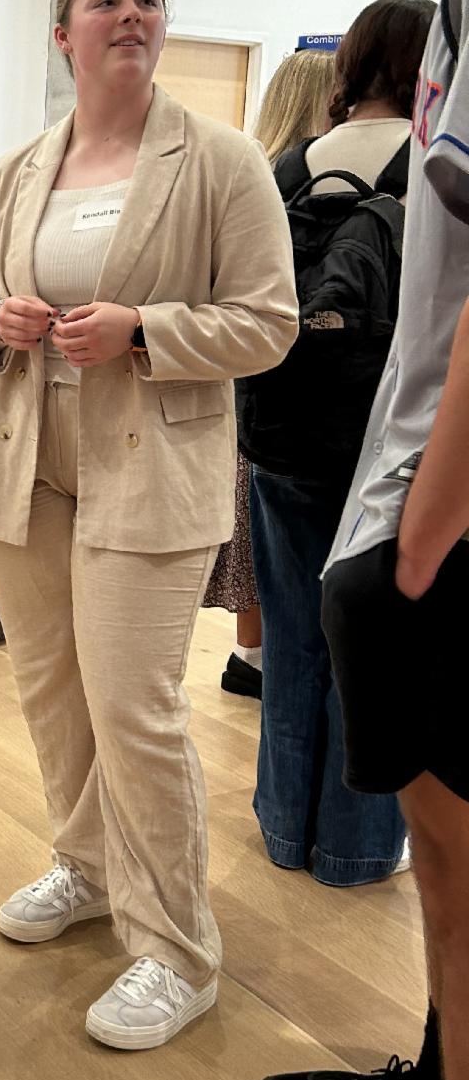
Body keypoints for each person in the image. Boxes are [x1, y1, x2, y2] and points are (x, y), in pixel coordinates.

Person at [0, 0, 297, 1051]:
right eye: (108, 0)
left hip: (152, 470)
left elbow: (269, 322)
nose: (132, 13)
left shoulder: (224, 162)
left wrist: (145, 329)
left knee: (137, 711)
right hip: (26, 468)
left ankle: (176, 950)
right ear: (67, 35)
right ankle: (85, 866)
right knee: (54, 693)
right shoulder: (15, 173)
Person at [252, 0, 469, 1080]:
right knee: (445, 845)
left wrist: (425, 527)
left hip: (447, 509)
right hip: (414, 485)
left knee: (465, 843)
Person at [239, 0, 431, 889]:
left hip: (278, 436)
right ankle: (353, 851)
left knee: (291, 640)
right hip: (384, 452)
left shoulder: (284, 168)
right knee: (372, 656)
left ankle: (283, 830)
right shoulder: (427, 167)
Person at [205, 48, 337, 700]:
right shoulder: (305, 186)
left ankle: (250, 657)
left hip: (243, 393)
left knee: (252, 532)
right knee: (270, 535)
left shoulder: (247, 174)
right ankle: (261, 662)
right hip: (277, 395)